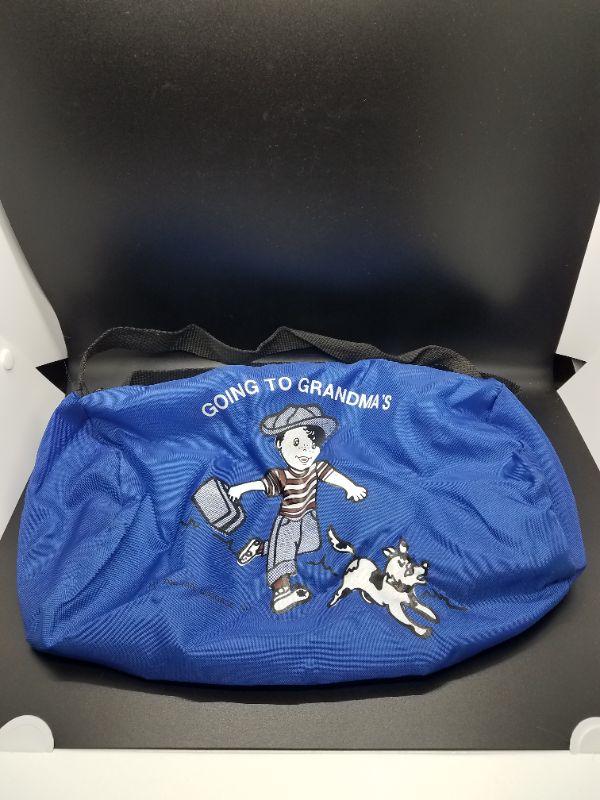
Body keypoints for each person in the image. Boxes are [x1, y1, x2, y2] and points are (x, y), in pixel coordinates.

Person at [229, 404, 367, 613]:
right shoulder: (281, 475)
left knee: (310, 544)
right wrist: (241, 488)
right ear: (279, 444)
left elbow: (333, 476)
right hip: (288, 520)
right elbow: (262, 485)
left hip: (309, 517)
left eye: (312, 445)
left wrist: (350, 487)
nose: (305, 451)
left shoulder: (317, 468)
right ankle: (281, 592)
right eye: (296, 443)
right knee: (283, 553)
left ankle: (260, 548)